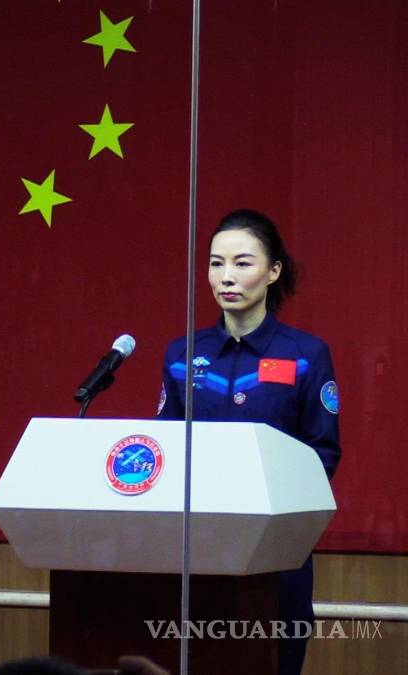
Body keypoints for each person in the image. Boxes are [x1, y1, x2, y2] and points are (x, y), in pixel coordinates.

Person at [157, 209, 341, 675]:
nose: (226, 277)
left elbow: (322, 453)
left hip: (276, 553)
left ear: (273, 270)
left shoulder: (305, 354)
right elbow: (163, 449)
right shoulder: (183, 355)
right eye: (216, 264)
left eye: (242, 263)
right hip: (196, 551)